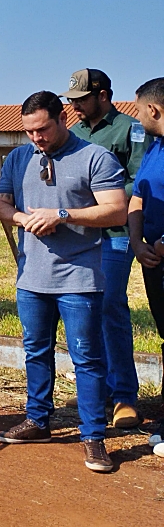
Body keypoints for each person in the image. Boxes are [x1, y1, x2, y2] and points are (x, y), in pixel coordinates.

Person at [0, 91, 127, 473]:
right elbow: (1, 204)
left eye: (44, 129)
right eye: (30, 131)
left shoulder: (94, 157)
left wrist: (62, 215)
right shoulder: (19, 158)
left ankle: (93, 437)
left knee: (86, 358)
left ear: (63, 117)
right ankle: (37, 421)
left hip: (80, 277)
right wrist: (21, 219)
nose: (37, 138)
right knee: (35, 351)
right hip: (31, 275)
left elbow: (115, 208)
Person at [61, 69, 146, 428]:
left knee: (110, 305)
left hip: (115, 232)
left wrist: (101, 199)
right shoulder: (72, 133)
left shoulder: (130, 129)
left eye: (81, 99)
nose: (75, 106)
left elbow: (139, 181)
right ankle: (99, 391)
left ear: (104, 95)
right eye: (71, 100)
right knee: (85, 310)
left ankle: (124, 395)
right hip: (78, 235)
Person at [126, 77, 164, 457]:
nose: (137, 116)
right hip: (153, 260)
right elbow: (137, 196)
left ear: (153, 110)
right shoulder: (154, 147)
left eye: (138, 109)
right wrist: (137, 242)